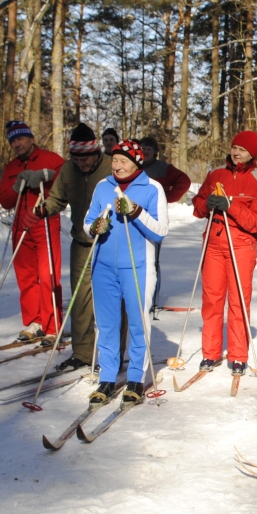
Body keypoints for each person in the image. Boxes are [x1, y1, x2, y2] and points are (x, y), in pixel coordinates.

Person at [83, 139, 169, 404]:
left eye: (123, 161)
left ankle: (135, 379)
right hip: (103, 267)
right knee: (106, 325)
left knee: (138, 323)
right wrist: (94, 227)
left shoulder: (152, 188)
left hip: (137, 266)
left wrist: (135, 211)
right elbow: (88, 222)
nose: (117, 166)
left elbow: (160, 231)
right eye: (114, 160)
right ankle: (107, 378)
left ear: (136, 163)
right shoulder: (103, 186)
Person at [191, 131, 257, 376]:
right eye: (235, 147)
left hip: (241, 246)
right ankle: (210, 352)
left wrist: (231, 206)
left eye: (243, 150)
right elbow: (197, 206)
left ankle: (238, 355)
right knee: (212, 299)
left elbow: (256, 222)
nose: (236, 153)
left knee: (238, 301)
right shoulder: (216, 174)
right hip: (213, 244)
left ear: (252, 154)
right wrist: (207, 204)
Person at [39, 123, 113, 371]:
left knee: (112, 301)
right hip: (81, 244)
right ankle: (82, 352)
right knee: (80, 301)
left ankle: (114, 355)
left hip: (109, 243)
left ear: (96, 152)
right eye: (76, 159)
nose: (82, 164)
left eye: (86, 159)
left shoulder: (112, 167)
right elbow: (57, 198)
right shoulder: (68, 170)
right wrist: (44, 209)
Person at [0, 120, 66, 343]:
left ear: (31, 139)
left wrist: (48, 176)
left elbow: (68, 183)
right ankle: (35, 321)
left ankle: (52, 325)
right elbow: (4, 200)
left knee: (48, 275)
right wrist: (16, 187)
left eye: (21, 139)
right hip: (20, 226)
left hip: (45, 221)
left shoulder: (51, 159)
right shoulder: (11, 167)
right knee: (26, 277)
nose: (17, 144)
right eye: (13, 141)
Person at [139, 136, 192, 313]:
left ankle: (152, 299)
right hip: (133, 217)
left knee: (152, 259)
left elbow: (184, 181)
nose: (146, 152)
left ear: (155, 152)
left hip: (154, 219)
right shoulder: (133, 166)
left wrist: (167, 197)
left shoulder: (162, 168)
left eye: (149, 149)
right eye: (143, 148)